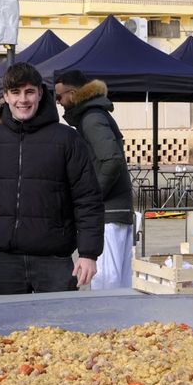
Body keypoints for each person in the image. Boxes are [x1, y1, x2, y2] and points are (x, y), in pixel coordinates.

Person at [0, 62, 103, 294]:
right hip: (4, 262)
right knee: (3, 330)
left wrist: (88, 253)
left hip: (54, 261)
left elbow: (87, 198)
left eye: (29, 91)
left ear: (40, 93)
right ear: (5, 97)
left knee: (58, 329)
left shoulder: (67, 139)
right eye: (16, 92)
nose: (23, 100)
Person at [53, 70, 134, 289]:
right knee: (118, 285)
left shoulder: (91, 118)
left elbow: (112, 160)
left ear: (72, 93)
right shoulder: (95, 114)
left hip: (108, 214)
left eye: (59, 96)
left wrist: (93, 198)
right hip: (116, 212)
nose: (58, 102)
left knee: (107, 286)